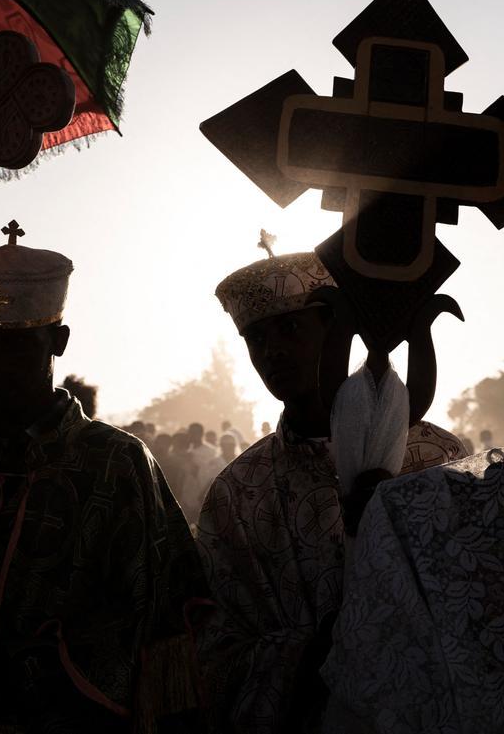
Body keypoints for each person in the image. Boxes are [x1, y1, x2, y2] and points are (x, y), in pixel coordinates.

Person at [0, 224, 207, 732]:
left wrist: (19, 669)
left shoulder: (116, 460)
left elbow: (156, 615)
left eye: (18, 346)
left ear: (58, 341)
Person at [196, 251, 466, 733]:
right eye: (256, 338)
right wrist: (312, 650)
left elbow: (473, 605)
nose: (272, 351)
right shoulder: (237, 492)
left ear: (339, 332)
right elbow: (216, 652)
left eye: (291, 330)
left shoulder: (434, 457)